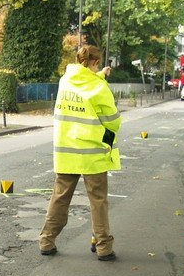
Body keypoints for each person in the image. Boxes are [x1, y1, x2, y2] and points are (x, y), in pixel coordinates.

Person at [38, 45, 123, 261]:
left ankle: (46, 241)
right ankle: (103, 246)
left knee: (60, 198)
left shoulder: (65, 81)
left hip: (66, 152)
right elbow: (113, 122)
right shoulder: (99, 87)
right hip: (92, 154)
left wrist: (100, 76)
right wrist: (102, 80)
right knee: (98, 200)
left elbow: (85, 82)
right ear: (95, 63)